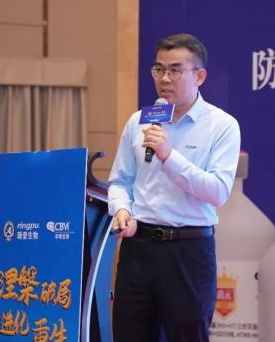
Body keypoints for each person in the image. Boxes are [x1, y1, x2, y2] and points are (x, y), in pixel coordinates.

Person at [108, 33, 241, 342]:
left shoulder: (222, 126)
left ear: (200, 76)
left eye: (175, 70)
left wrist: (169, 156)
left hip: (188, 252)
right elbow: (121, 180)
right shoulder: (139, 121)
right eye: (159, 69)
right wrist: (122, 209)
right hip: (138, 248)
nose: (164, 78)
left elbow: (218, 192)